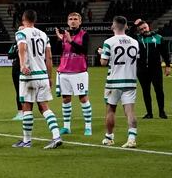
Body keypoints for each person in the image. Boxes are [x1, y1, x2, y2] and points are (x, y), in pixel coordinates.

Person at [12, 9, 62, 150]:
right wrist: (50, 76)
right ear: (35, 20)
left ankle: (27, 141)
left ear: (23, 19)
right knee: (44, 107)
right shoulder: (43, 34)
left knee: (26, 107)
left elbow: (22, 48)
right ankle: (56, 135)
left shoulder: (21, 33)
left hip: (29, 76)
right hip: (42, 75)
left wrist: (22, 65)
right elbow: (49, 57)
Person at [99, 16, 139, 147]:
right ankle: (132, 138)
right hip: (130, 81)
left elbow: (103, 62)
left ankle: (109, 137)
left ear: (113, 26)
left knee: (111, 110)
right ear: (126, 26)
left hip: (114, 81)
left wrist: (102, 54)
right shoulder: (135, 42)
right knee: (130, 111)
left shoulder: (109, 42)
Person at [54, 12, 93, 135]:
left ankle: (88, 126)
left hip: (79, 72)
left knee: (83, 98)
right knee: (66, 99)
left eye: (75, 19)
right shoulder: (64, 35)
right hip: (64, 72)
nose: (73, 21)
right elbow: (57, 51)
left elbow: (84, 50)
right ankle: (66, 127)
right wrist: (59, 40)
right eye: (70, 19)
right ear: (67, 22)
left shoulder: (84, 35)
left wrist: (70, 41)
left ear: (80, 22)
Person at [130, 19, 170, 119]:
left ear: (149, 27)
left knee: (159, 90)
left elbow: (165, 53)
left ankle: (162, 112)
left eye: (145, 27)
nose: (144, 30)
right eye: (141, 29)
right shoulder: (137, 39)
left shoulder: (158, 38)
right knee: (146, 91)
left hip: (156, 69)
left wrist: (168, 66)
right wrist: (134, 25)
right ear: (139, 30)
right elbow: (128, 35)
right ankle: (149, 113)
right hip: (142, 70)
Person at [7, 42, 22, 120]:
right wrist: (17, 52)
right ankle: (20, 112)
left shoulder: (27, 42)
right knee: (18, 91)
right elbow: (9, 55)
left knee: (26, 91)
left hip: (24, 68)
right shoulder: (14, 44)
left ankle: (27, 111)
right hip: (15, 69)